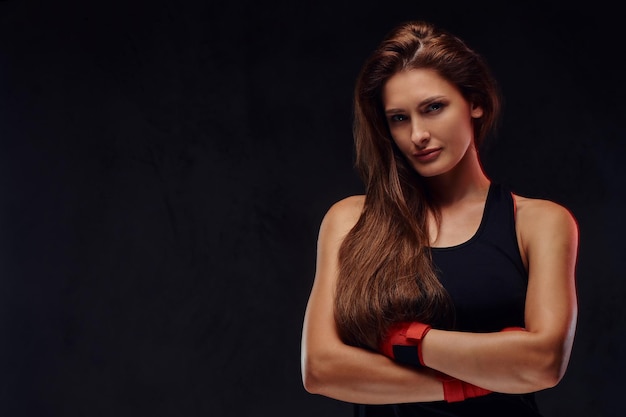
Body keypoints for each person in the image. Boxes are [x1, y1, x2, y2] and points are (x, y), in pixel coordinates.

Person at [300, 20, 578, 416]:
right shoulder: (349, 220)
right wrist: (472, 379)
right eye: (399, 118)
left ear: (475, 102)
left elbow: (543, 362)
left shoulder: (539, 222)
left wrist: (406, 341)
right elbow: (321, 369)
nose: (417, 135)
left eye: (433, 108)